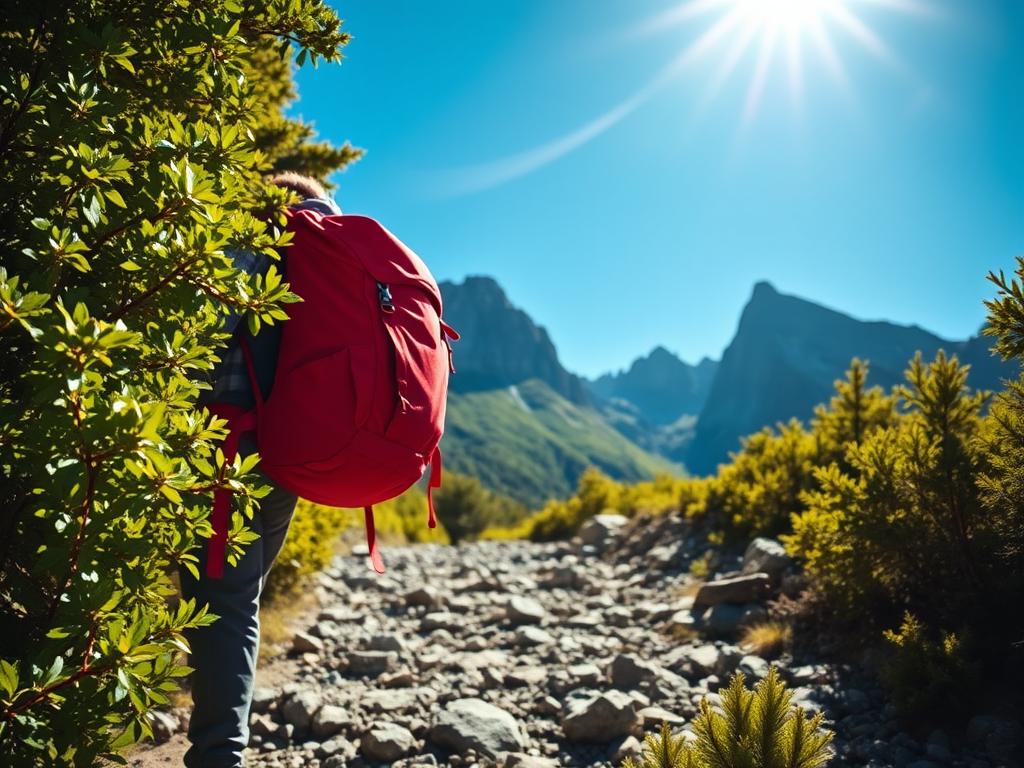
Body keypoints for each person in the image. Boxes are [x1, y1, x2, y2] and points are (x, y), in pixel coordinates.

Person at [180, 173, 342, 768]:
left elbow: (199, 336)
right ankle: (220, 739)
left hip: (229, 447)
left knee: (222, 602)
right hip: (291, 455)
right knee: (238, 599)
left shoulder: (259, 240)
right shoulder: (333, 253)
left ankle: (219, 755)